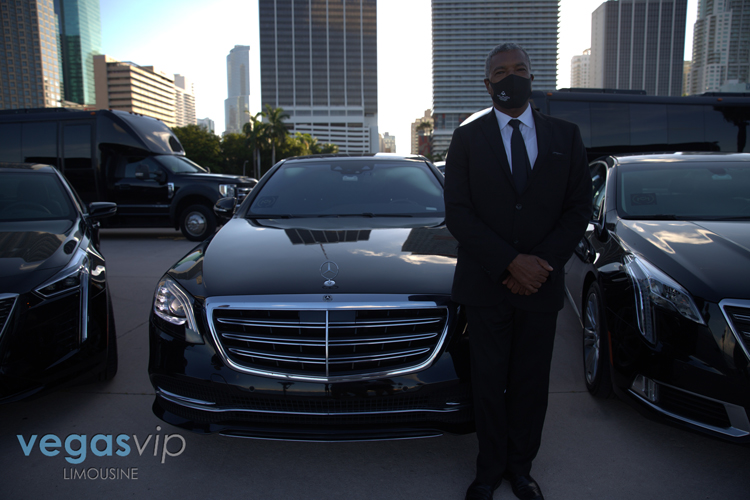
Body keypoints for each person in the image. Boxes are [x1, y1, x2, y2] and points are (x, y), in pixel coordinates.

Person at [444, 43, 592, 500]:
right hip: (487, 285)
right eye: (501, 72)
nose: (512, 78)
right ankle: (488, 471)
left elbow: (577, 209)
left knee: (530, 383)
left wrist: (539, 265)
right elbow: (459, 213)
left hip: (541, 286)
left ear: (533, 78)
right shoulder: (467, 138)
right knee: (488, 383)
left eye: (520, 70)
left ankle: (521, 470)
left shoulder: (565, 137)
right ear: (487, 85)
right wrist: (510, 262)